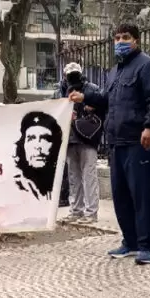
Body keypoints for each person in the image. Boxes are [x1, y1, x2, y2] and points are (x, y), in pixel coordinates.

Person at [76, 23, 150, 265]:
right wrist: (86, 97)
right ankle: (130, 241)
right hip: (116, 142)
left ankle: (148, 245)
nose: (120, 41)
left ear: (136, 40)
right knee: (121, 195)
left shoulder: (148, 66)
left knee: (142, 195)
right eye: (116, 37)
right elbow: (107, 99)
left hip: (139, 142)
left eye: (125, 37)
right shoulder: (114, 71)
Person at [57, 62, 105, 223]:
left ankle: (91, 213)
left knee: (88, 175)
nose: (72, 77)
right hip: (70, 138)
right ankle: (76, 210)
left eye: (74, 73)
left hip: (87, 137)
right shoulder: (60, 91)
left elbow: (102, 103)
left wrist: (87, 105)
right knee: (73, 176)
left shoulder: (91, 88)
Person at [12, 111, 63, 201]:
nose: (38, 146)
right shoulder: (14, 186)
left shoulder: (60, 182)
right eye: (31, 138)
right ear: (23, 145)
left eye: (45, 139)